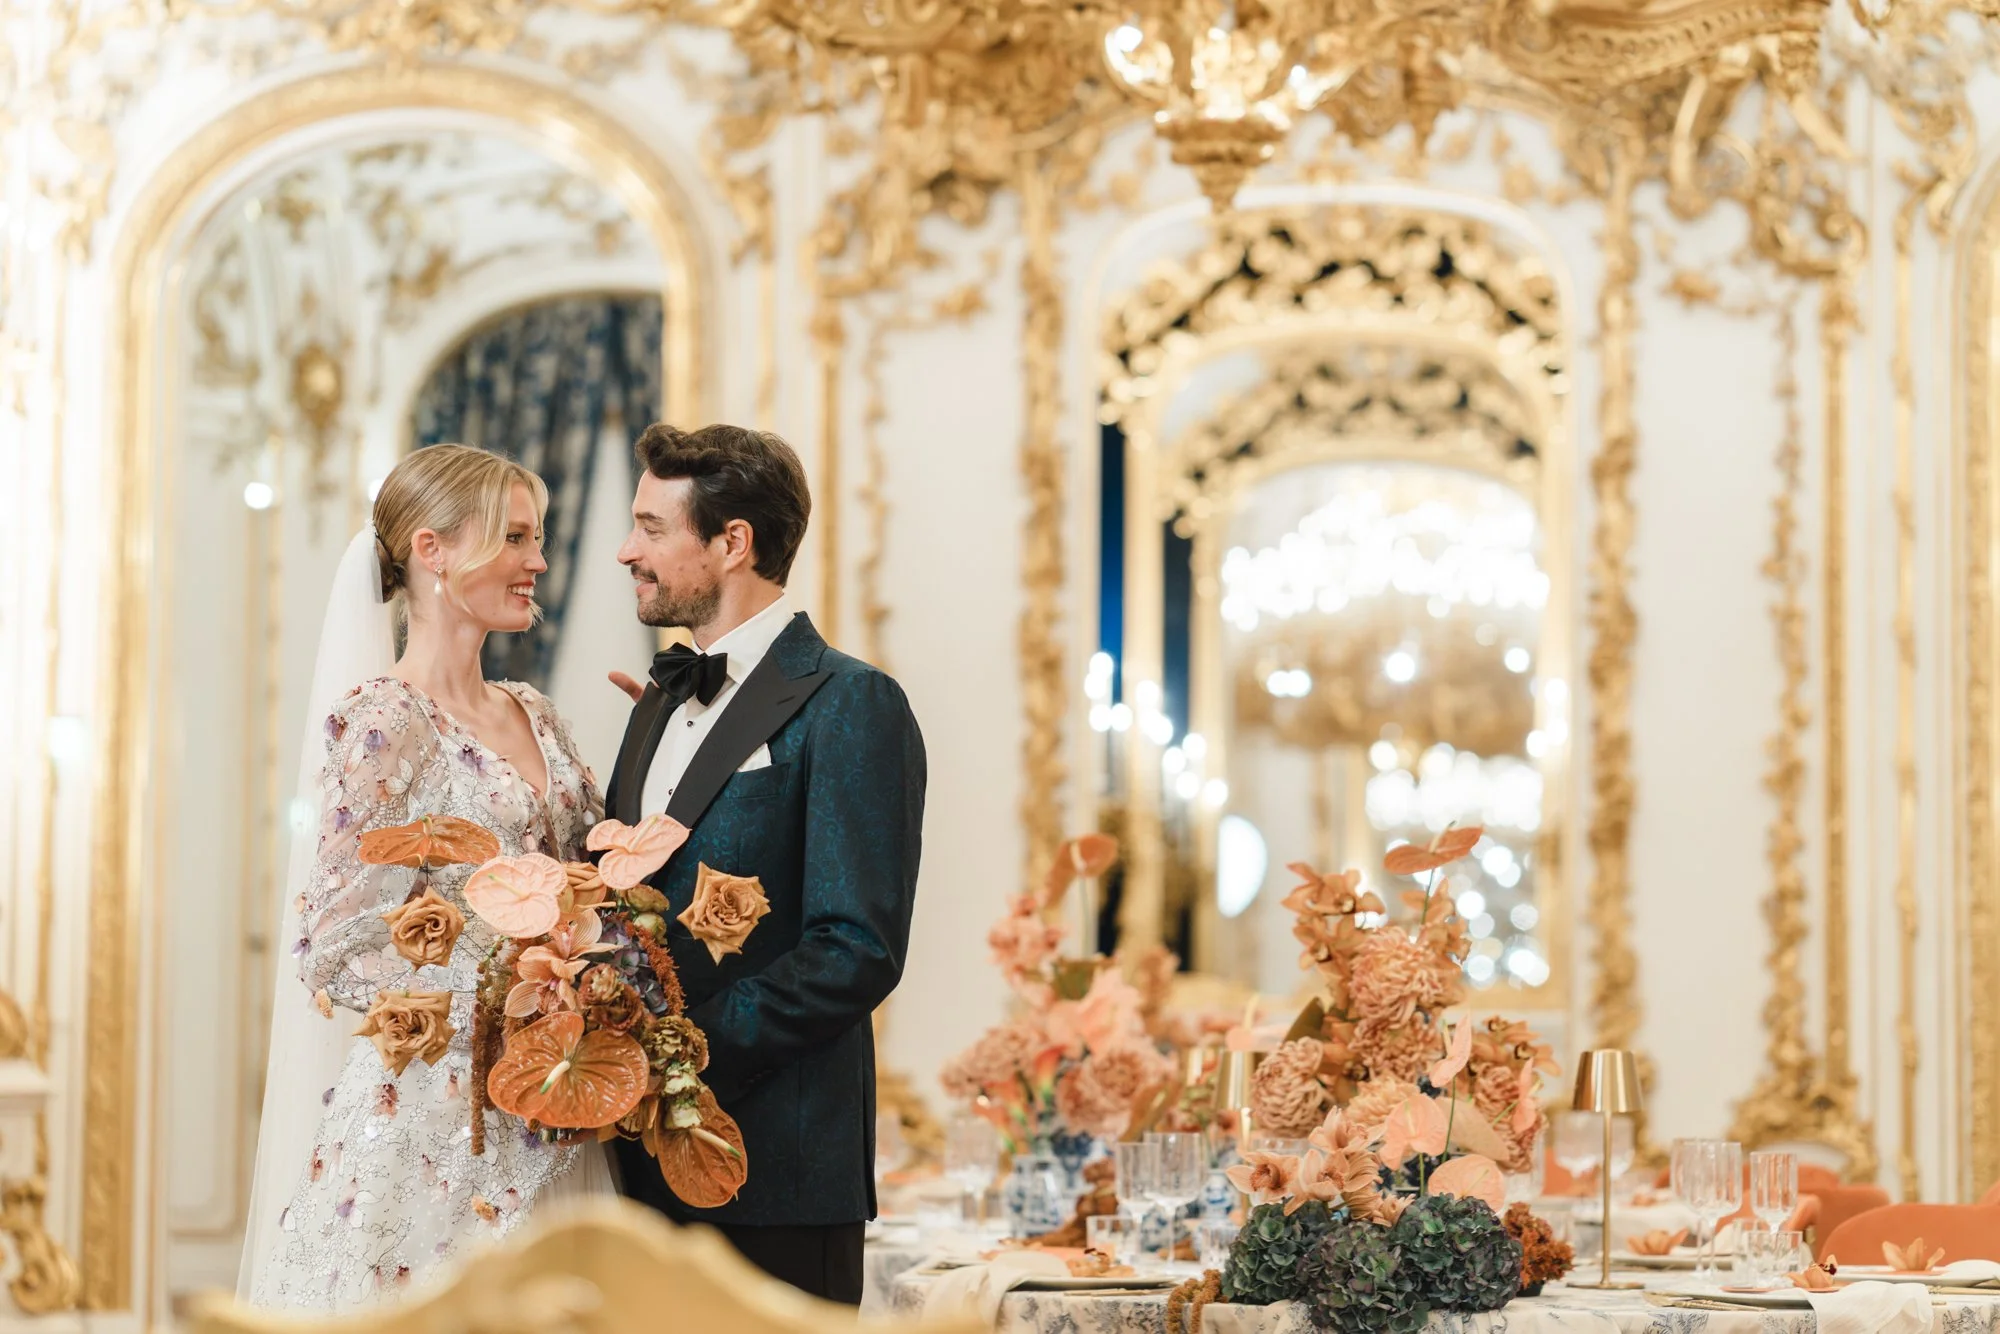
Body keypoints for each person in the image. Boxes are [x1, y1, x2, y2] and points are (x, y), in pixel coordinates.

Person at [239, 445, 614, 1310]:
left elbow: (597, 881)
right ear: (432, 549)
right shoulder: (385, 720)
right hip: (438, 1121)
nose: (539, 562)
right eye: (517, 537)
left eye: (540, 537)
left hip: (558, 1100)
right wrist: (499, 991)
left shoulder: (538, 713)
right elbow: (334, 947)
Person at [603, 422, 925, 1304]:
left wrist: (678, 1060)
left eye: (652, 527)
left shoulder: (852, 700)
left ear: (732, 542)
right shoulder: (657, 700)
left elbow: (854, 946)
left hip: (775, 1171)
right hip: (631, 1176)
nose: (627, 550)